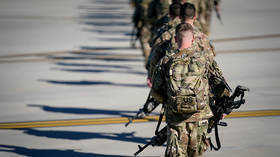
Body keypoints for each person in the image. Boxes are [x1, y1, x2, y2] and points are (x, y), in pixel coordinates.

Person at [151, 23, 230, 157]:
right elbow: (221, 88)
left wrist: (170, 102)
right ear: (193, 39)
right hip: (200, 119)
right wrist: (223, 107)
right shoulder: (205, 60)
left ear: (175, 39)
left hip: (176, 121)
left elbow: (156, 92)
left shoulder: (166, 62)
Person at [147, 2, 215, 87]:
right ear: (194, 17)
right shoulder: (203, 37)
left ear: (180, 17)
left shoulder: (167, 35)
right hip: (197, 86)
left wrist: (151, 76)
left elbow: (155, 57)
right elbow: (211, 61)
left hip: (172, 86)